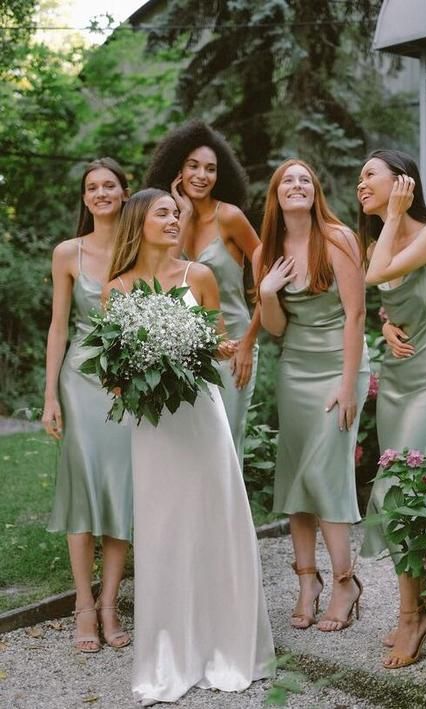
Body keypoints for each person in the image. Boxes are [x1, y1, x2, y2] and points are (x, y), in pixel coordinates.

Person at [104, 188, 274, 705]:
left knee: (213, 515)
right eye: (164, 213)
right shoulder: (116, 288)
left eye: (177, 214)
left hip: (201, 414)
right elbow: (113, 370)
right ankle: (169, 647)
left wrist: (216, 348)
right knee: (163, 524)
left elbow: (218, 342)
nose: (175, 220)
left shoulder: (198, 276)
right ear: (139, 221)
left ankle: (226, 640)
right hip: (153, 426)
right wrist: (130, 376)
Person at [253, 159, 370, 632]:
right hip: (295, 369)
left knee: (325, 476)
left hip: (338, 369)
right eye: (287, 181)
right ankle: (308, 582)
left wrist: (347, 385)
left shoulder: (338, 238)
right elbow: (278, 329)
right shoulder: (268, 250)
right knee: (296, 479)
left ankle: (345, 581)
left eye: (305, 179)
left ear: (314, 192)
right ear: (277, 196)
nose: (296, 186)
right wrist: (265, 292)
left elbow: (356, 315)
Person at [358, 149, 426, 668]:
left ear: (403, 183)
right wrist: (384, 323)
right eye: (358, 178)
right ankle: (417, 608)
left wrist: (395, 214)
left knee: (401, 490)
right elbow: (385, 291)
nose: (360, 184)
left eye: (369, 174)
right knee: (395, 494)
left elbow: (378, 277)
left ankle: (410, 617)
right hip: (395, 383)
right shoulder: (381, 240)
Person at [42, 158, 133, 653]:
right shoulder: (66, 253)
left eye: (109, 186)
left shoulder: (142, 248)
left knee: (121, 489)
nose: (100, 193)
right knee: (82, 490)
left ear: (124, 193)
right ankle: (82, 602)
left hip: (127, 387)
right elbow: (58, 327)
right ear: (85, 199)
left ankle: (110, 602)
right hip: (80, 380)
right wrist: (50, 394)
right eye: (92, 188)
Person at [144, 120, 260, 464]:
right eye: (193, 166)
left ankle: (230, 519)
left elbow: (268, 280)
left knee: (225, 446)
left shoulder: (231, 218)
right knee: (188, 453)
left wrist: (249, 344)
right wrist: (186, 214)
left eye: (210, 169)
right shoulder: (164, 220)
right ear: (177, 168)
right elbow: (162, 277)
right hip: (180, 352)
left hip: (233, 348)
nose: (201, 175)